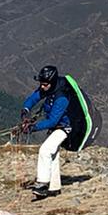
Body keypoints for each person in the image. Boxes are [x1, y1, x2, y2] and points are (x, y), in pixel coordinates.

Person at [20, 65, 73, 200]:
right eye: (41, 84)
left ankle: (42, 185)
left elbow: (53, 121)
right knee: (53, 154)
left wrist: (33, 127)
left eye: (44, 85)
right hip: (57, 126)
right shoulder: (48, 87)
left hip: (65, 127)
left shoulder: (62, 98)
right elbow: (34, 98)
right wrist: (26, 109)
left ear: (52, 82)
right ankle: (54, 188)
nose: (42, 87)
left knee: (45, 150)